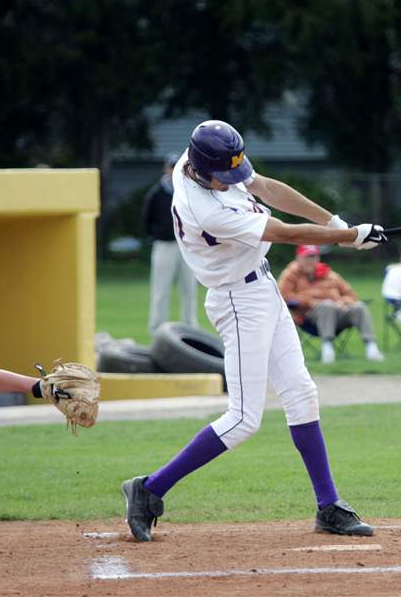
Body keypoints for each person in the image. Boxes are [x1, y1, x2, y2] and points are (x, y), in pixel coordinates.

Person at [121, 120, 387, 542]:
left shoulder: (203, 157)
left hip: (261, 288)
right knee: (244, 419)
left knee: (302, 395)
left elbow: (267, 188)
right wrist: (348, 236)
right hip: (236, 301)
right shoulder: (205, 208)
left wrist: (336, 221)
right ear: (203, 171)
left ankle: (328, 506)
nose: (235, 178)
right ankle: (148, 489)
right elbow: (280, 232)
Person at [278, 244, 385, 364]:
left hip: (338, 313)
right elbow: (284, 297)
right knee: (326, 306)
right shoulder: (289, 275)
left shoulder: (329, 274)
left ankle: (371, 347)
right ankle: (327, 349)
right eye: (307, 257)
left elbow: (351, 295)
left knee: (359, 307)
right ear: (298, 258)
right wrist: (312, 302)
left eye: (313, 256)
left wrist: (342, 302)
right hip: (307, 317)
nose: (310, 260)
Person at [142, 153, 200, 336]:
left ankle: (191, 328)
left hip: (188, 246)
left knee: (190, 289)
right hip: (164, 246)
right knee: (160, 290)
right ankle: (157, 329)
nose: (174, 169)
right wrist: (158, 234)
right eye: (171, 166)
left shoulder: (190, 190)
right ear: (166, 168)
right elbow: (146, 220)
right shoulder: (156, 193)